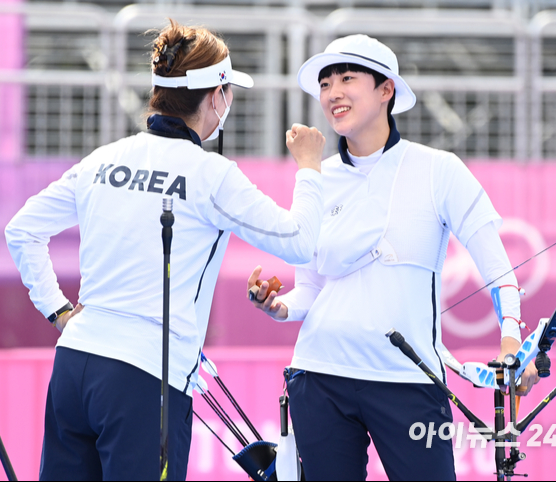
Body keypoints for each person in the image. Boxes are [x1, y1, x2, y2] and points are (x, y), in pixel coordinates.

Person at [5, 20, 325, 481]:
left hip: (73, 366)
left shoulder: (103, 158)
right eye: (229, 91)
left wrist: (57, 312)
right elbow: (300, 243)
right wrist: (310, 168)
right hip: (144, 380)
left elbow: (21, 231)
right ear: (216, 95)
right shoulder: (210, 173)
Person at [247, 34, 540, 481]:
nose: (333, 93)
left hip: (410, 381)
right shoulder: (315, 177)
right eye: (325, 84)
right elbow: (310, 289)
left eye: (347, 78)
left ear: (387, 90)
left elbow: (500, 268)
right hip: (319, 376)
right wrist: (278, 306)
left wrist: (511, 342)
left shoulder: (438, 169)